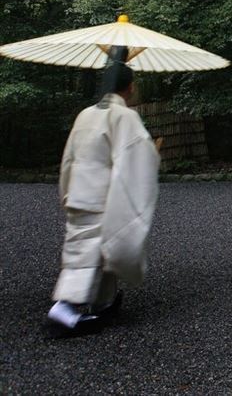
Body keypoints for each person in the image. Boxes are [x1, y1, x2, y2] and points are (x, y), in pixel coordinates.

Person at [48, 56, 160, 335]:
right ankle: (64, 309)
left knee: (93, 250)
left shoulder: (85, 114)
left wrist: (66, 191)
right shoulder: (124, 116)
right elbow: (136, 157)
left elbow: (69, 159)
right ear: (130, 87)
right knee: (87, 254)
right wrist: (153, 156)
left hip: (78, 192)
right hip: (102, 197)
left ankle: (103, 303)